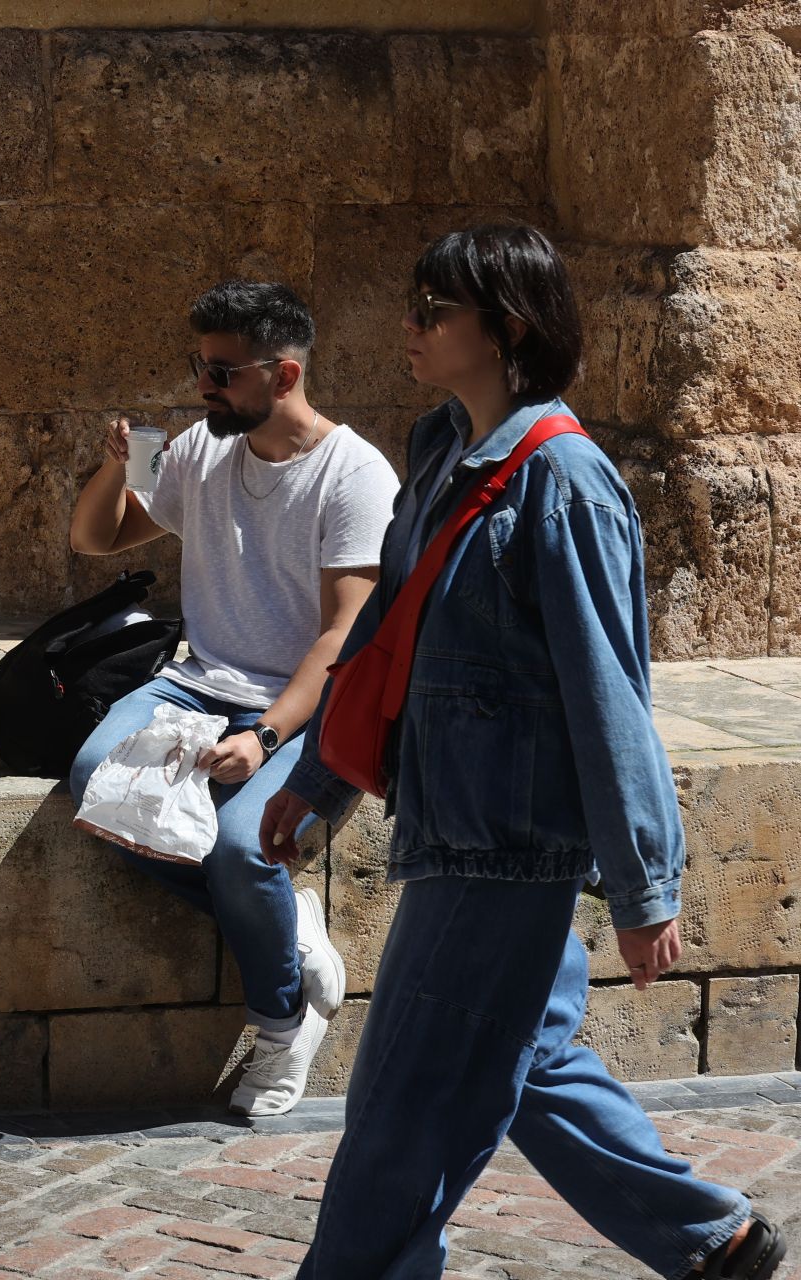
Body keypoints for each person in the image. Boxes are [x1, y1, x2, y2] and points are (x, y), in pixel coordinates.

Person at [260, 225, 785, 1279]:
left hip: (505, 845)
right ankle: (712, 1238)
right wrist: (320, 770)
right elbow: (386, 629)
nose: (408, 326)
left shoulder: (571, 485)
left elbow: (610, 694)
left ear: (507, 328)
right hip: (453, 820)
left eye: (433, 311)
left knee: (405, 1100)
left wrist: (645, 884)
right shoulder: (441, 446)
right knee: (527, 1056)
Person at [68, 281, 399, 1117]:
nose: (203, 387)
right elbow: (96, 538)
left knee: (241, 848)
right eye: (200, 367)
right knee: (91, 783)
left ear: (282, 374)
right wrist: (117, 465)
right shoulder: (197, 449)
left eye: (221, 373)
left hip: (304, 701)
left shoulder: (354, 475)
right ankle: (288, 925)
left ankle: (282, 1026)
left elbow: (341, 638)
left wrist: (263, 733)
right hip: (194, 682)